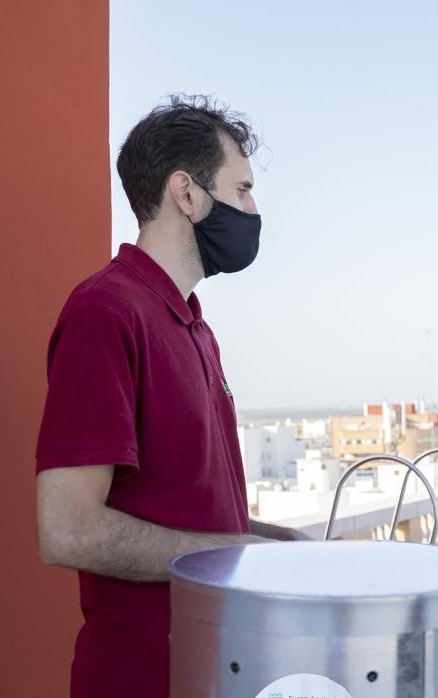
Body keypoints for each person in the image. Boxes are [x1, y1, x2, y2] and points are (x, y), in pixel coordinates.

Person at [34, 95, 308, 698]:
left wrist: (268, 543)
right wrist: (233, 551)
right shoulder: (105, 313)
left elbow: (179, 508)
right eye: (241, 190)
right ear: (186, 194)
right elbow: (67, 529)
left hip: (214, 671)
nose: (253, 209)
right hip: (141, 679)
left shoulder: (194, 325)